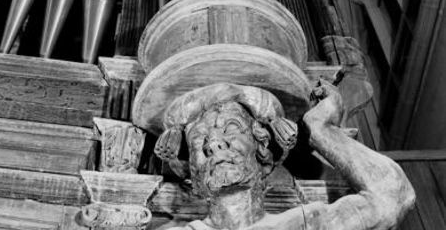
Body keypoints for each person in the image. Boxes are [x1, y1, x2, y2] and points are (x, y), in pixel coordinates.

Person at [154, 82, 415, 230]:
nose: (214, 144)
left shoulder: (307, 225)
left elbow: (394, 195)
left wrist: (320, 129)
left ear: (261, 150)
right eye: (199, 139)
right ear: (192, 174)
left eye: (231, 128)